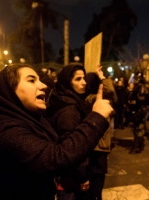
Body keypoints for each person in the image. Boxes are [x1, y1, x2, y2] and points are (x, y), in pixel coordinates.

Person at [0, 64, 113, 200]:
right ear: (9, 90)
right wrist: (97, 117)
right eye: (31, 80)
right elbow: (56, 158)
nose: (44, 85)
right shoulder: (3, 131)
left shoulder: (26, 120)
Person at [44, 64, 91, 200]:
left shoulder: (67, 100)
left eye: (84, 78)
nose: (84, 82)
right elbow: (73, 146)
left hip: (67, 174)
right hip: (70, 178)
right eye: (78, 79)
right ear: (67, 82)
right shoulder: (69, 110)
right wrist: (83, 176)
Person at [85, 66, 117, 200]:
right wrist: (102, 77)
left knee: (95, 180)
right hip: (99, 145)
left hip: (97, 144)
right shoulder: (93, 99)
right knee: (97, 179)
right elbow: (111, 90)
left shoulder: (89, 98)